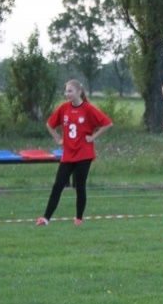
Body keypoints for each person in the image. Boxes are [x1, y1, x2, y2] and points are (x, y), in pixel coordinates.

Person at [36, 80, 112, 226]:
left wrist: (93, 137)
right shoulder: (64, 108)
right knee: (58, 185)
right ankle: (46, 218)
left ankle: (78, 218)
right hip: (68, 154)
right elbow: (49, 124)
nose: (67, 94)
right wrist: (58, 138)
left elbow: (107, 123)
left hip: (84, 154)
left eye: (70, 91)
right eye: (66, 91)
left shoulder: (88, 109)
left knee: (80, 185)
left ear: (79, 92)